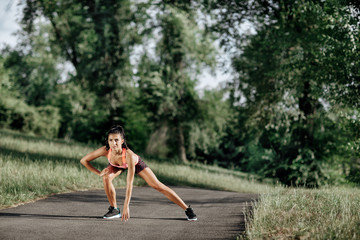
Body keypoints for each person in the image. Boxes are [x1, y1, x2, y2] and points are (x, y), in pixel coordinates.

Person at [80, 125, 197, 221]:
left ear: (122, 141)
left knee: (158, 186)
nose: (113, 143)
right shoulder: (106, 150)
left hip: (135, 164)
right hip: (117, 165)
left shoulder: (129, 156)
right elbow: (84, 160)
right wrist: (99, 173)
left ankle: (187, 209)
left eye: (116, 140)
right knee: (106, 177)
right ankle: (114, 209)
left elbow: (129, 183)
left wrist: (126, 206)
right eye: (111, 140)